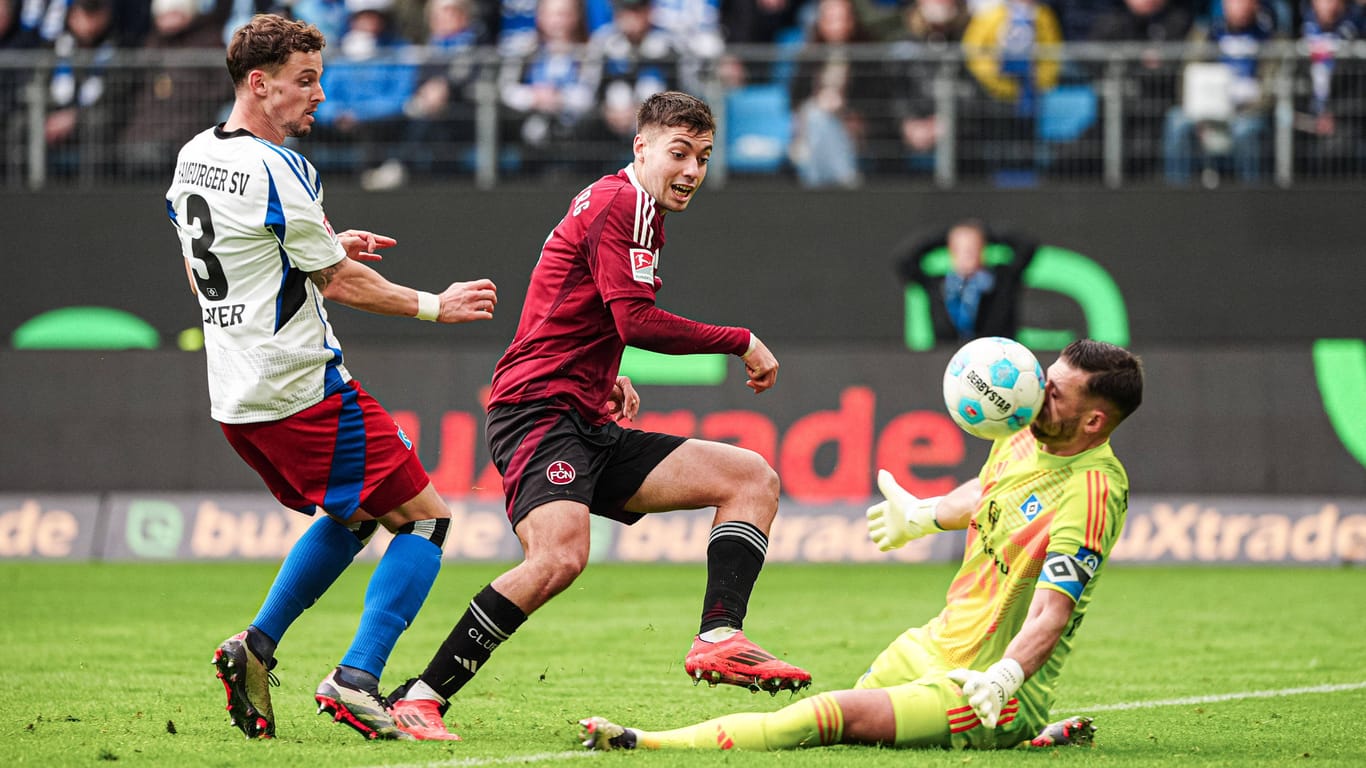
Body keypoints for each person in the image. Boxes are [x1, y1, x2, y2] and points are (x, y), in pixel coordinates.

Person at [383, 90, 811, 741]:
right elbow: (633, 318)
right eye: (679, 153)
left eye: (702, 156)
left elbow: (573, 303)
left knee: (749, 477)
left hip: (583, 414)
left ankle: (720, 636)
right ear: (641, 148)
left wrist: (605, 376)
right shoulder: (623, 203)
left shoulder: (630, 205)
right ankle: (420, 696)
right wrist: (740, 339)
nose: (693, 169)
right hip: (537, 413)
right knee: (559, 557)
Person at [164, 13, 498, 741]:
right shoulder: (277, 167)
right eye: (305, 81)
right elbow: (342, 282)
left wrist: (309, 247)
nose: (319, 95)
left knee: (354, 515)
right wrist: (437, 306)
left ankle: (255, 647)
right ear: (260, 84)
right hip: (300, 386)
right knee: (426, 519)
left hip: (235, 395)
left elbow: (205, 278)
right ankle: (356, 678)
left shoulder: (194, 158)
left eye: (320, 78)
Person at [579, 338, 1144, 754]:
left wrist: (1005, 678)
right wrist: (922, 515)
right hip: (930, 644)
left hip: (983, 685)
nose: (1036, 396)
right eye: (1044, 380)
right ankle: (1033, 742)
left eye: (1056, 394)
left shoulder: (1091, 492)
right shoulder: (1022, 431)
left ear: (1094, 420)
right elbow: (987, 490)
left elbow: (1052, 609)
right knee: (845, 742)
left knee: (831, 718)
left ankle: (644, 743)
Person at [1162, 0, 1280, 186]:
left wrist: (1246, 108)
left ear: (1256, 5)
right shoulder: (1207, 33)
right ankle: (1176, 194)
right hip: (1208, 108)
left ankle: (1252, 195)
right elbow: (1189, 74)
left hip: (1248, 112)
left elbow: (1270, 90)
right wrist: (1201, 111)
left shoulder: (1270, 37)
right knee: (1176, 121)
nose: (1239, 6)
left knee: (1246, 131)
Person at [895, 218, 1037, 344]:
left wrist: (985, 232)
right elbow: (904, 260)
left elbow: (1027, 244)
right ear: (951, 250)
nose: (967, 253)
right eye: (961, 248)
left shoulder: (1002, 279)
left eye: (973, 247)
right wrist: (946, 235)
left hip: (996, 359)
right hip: (947, 360)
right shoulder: (937, 283)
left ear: (982, 248)